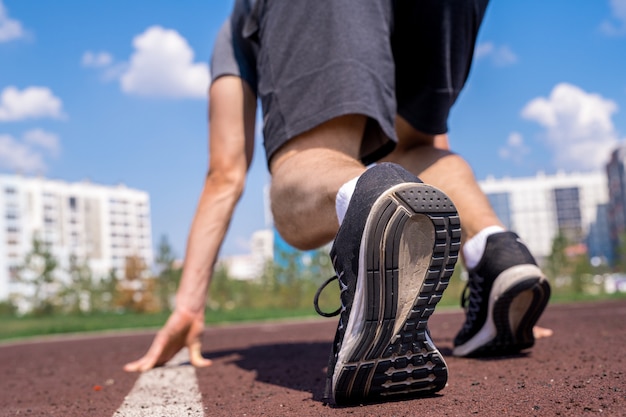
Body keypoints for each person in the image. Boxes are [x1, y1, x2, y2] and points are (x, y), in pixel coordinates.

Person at [125, 0, 551, 405]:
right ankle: (497, 253)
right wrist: (455, 234)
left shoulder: (231, 34)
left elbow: (225, 174)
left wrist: (188, 306)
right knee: (410, 149)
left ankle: (368, 200)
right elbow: (427, 147)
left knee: (303, 173)